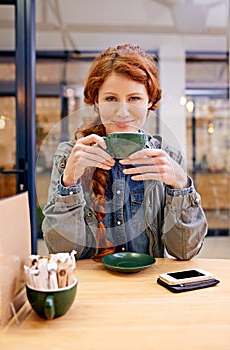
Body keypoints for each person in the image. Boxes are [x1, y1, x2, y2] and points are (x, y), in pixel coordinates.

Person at [42, 44, 208, 262]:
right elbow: (62, 253)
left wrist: (180, 185)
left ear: (150, 101)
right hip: (91, 287)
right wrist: (69, 182)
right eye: (111, 98)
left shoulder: (167, 156)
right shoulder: (70, 155)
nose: (122, 112)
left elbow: (185, 251)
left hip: (148, 286)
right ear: (97, 101)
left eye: (134, 99)